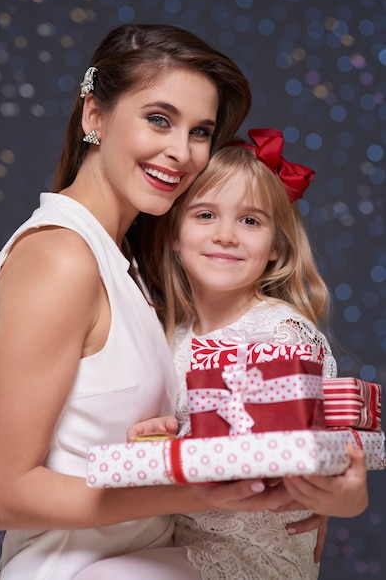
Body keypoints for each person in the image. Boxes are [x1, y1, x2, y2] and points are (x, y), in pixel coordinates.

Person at [0, 24, 297, 580]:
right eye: (159, 119)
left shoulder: (126, 263)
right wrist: (202, 495)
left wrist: (270, 521)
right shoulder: (63, 259)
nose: (181, 152)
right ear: (94, 115)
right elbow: (4, 495)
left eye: (200, 131)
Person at [121, 129, 369, 579]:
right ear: (174, 234)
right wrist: (158, 438)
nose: (226, 235)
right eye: (206, 215)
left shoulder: (281, 333)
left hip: (254, 553)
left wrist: (336, 498)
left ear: (277, 248)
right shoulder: (167, 336)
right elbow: (188, 436)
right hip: (180, 536)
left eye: (250, 221)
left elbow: (330, 458)